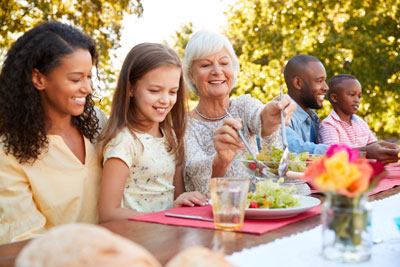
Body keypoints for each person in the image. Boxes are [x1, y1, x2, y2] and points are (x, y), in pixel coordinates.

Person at [0, 21, 106, 244]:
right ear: (39, 79)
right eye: (76, 79)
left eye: (88, 77)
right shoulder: (9, 153)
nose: (87, 88)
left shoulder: (97, 122)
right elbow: (25, 241)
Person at [97, 43, 207, 223]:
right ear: (131, 88)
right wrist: (165, 216)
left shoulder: (170, 136)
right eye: (154, 91)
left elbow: (175, 200)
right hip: (137, 239)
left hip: (168, 235)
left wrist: (183, 203)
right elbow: (108, 213)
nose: (165, 100)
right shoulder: (124, 142)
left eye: (173, 92)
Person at [182, 31, 297, 195]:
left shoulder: (243, 105)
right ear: (191, 75)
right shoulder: (184, 125)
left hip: (258, 208)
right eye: (205, 65)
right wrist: (221, 159)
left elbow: (261, 118)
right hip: (212, 214)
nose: (217, 71)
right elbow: (198, 180)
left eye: (224, 63)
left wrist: (272, 116)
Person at [283, 54, 399, 164]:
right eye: (319, 81)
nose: (326, 87)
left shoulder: (313, 118)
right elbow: (296, 150)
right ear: (298, 83)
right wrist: (362, 153)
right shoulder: (280, 113)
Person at [319, 74, 377, 146]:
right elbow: (334, 153)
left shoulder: (361, 123)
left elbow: (374, 145)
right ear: (335, 98)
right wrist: (366, 152)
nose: (357, 100)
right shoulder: (329, 125)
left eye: (359, 96)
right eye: (352, 95)